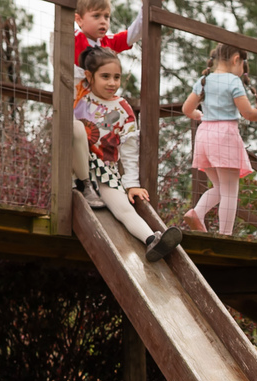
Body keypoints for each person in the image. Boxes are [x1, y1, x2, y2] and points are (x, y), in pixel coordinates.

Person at [74, 47, 182, 262]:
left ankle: (152, 241)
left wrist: (131, 184)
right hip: (75, 165)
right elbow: (63, 68)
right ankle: (83, 183)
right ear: (89, 76)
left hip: (104, 170)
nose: (112, 82)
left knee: (123, 209)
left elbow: (130, 150)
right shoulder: (80, 98)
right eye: (105, 76)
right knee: (74, 127)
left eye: (116, 77)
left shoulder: (124, 109)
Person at [180, 43, 257, 236]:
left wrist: (200, 116)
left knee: (220, 187)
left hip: (205, 135)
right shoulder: (233, 82)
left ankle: (197, 212)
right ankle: (225, 235)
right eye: (243, 67)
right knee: (231, 191)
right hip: (225, 136)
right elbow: (248, 113)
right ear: (236, 59)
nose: (242, 72)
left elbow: (187, 109)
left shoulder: (204, 80)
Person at [71, 0, 144, 208]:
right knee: (77, 137)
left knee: (98, 142)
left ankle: (98, 184)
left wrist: (145, 8)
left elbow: (132, 34)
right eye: (96, 16)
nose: (103, 22)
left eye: (106, 17)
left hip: (95, 113)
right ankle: (81, 182)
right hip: (75, 105)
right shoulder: (72, 39)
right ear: (78, 19)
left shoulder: (107, 45)